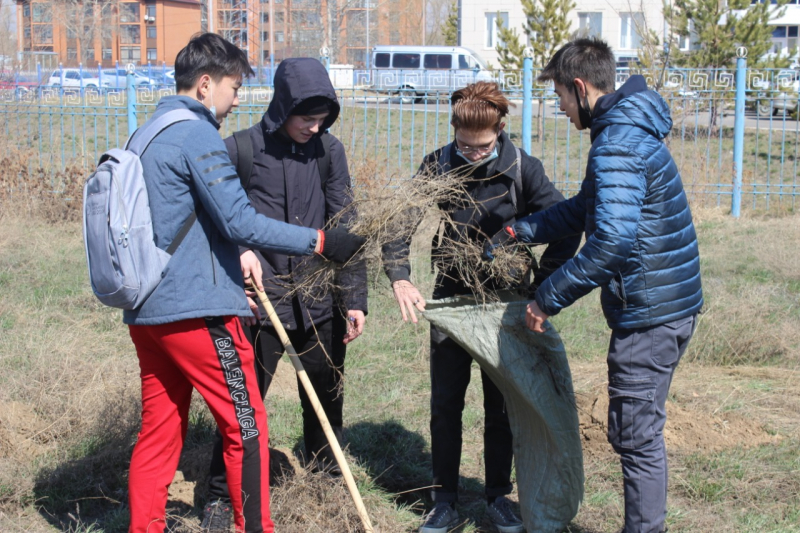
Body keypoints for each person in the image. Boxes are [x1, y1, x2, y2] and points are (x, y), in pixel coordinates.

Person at [123, 33, 364, 533]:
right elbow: (238, 220)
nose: (235, 100)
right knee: (248, 426)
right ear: (206, 84)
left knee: (160, 430)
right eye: (233, 87)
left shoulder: (146, 132)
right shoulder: (199, 136)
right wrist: (318, 241)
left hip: (147, 310)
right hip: (196, 308)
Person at [487, 38, 703, 533]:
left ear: (580, 88)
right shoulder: (624, 130)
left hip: (650, 311)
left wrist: (548, 297)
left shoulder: (617, 143)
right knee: (638, 430)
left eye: (560, 96)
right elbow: (585, 207)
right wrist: (521, 230)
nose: (560, 108)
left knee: (635, 435)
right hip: (668, 302)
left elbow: (611, 243)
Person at [382, 81, 580, 533]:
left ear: (501, 130)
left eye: (482, 146)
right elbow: (399, 223)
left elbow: (567, 227)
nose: (472, 154)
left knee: (501, 405)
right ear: (455, 132)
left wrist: (542, 287)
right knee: (445, 404)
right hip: (452, 298)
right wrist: (401, 276)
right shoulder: (438, 164)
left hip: (505, 304)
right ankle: (443, 501)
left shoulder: (524, 170)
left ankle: (497, 497)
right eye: (464, 145)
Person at [200, 57, 368, 530]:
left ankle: (324, 481)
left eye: (322, 119)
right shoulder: (241, 149)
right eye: (305, 118)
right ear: (282, 107)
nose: (313, 128)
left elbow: (344, 225)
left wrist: (353, 297)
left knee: (325, 397)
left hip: (319, 302)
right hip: (257, 304)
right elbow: (215, 218)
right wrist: (238, 255)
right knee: (242, 408)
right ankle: (219, 493)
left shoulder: (329, 152)